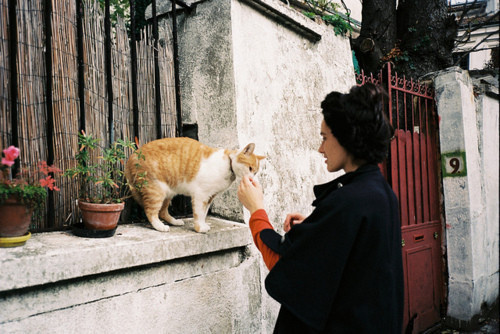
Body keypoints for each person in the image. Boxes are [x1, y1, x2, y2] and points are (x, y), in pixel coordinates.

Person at [237, 83, 404, 333]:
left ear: (348, 136)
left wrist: (256, 210)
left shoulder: (348, 201)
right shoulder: (381, 192)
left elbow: (284, 262)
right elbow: (353, 252)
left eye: (325, 137)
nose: (320, 148)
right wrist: (315, 229)